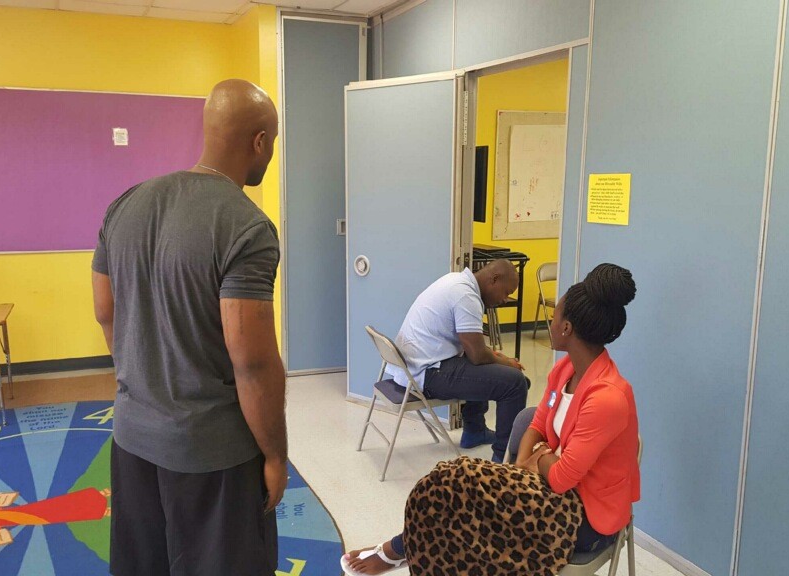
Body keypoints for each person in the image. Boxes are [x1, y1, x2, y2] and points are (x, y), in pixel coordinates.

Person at [92, 79, 287, 576]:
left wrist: (145, 383)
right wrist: (275, 456)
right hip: (213, 456)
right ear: (259, 142)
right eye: (272, 142)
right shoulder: (247, 227)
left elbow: (105, 311)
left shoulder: (124, 205)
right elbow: (252, 362)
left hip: (131, 438)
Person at [343, 263, 639, 576]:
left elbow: (563, 478)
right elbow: (537, 424)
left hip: (583, 517)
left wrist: (539, 459)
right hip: (548, 487)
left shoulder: (607, 397)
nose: (550, 321)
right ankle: (403, 549)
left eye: (554, 317)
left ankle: (399, 550)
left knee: (457, 491)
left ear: (566, 328)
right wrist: (522, 466)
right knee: (447, 480)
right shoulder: (565, 370)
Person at [384, 259, 529, 463]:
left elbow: (473, 347)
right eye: (506, 292)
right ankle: (504, 458)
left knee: (491, 367)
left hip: (416, 366)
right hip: (427, 373)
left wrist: (499, 358)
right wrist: (507, 363)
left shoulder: (456, 280)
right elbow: (478, 356)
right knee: (515, 383)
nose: (505, 299)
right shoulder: (466, 296)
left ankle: (475, 431)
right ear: (494, 279)